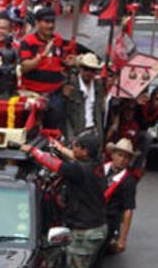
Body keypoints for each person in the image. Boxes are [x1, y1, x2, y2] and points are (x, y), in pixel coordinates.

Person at [20, 133, 106, 268]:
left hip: (85, 232)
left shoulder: (78, 170)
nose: (73, 148)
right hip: (95, 227)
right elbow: (73, 156)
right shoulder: (96, 164)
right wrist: (59, 148)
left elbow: (54, 164)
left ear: (85, 151)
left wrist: (32, 150)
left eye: (76, 146)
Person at [103, 138, 138, 255]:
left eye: (126, 157)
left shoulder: (128, 181)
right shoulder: (100, 169)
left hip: (109, 221)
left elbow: (128, 210)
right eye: (119, 155)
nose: (122, 159)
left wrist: (122, 239)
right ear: (112, 155)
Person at [65, 53, 106, 144]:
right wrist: (71, 136)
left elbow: (100, 112)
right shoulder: (71, 85)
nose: (89, 73)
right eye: (86, 69)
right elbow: (66, 115)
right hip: (77, 131)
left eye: (92, 70)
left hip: (94, 131)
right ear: (80, 68)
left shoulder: (98, 87)